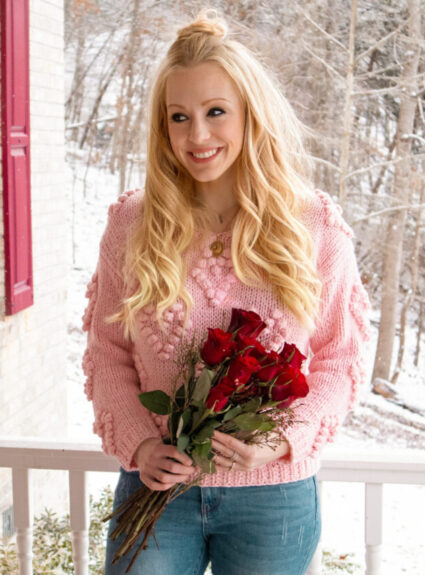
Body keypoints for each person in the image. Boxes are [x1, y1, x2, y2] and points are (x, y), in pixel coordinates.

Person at [82, 10, 371, 575]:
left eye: (216, 112)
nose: (197, 136)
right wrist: (142, 445)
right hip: (157, 491)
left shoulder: (314, 226)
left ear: (250, 116)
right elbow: (106, 355)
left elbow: (341, 360)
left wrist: (282, 441)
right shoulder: (132, 225)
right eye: (179, 117)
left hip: (273, 499)